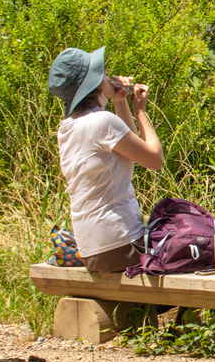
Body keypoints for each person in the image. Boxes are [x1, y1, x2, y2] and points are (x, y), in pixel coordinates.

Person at [47, 46, 163, 273]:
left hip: (93, 250)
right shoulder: (102, 122)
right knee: (192, 242)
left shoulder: (68, 127)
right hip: (121, 244)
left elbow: (130, 149)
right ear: (94, 82)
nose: (109, 74)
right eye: (103, 71)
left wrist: (121, 102)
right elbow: (154, 160)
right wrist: (140, 111)